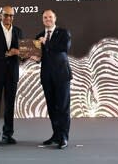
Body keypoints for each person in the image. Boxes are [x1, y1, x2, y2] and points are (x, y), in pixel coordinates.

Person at [0, 6, 23, 146]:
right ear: (0, 15)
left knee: (10, 105)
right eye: (6, 15)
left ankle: (8, 134)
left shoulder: (18, 31)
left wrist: (21, 53)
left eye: (11, 15)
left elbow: (22, 53)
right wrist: (8, 53)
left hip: (12, 74)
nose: (9, 18)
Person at [35, 9, 72, 149]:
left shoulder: (63, 33)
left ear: (55, 18)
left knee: (63, 107)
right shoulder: (39, 36)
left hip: (62, 76)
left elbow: (64, 48)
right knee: (52, 107)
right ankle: (56, 135)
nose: (47, 19)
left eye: (50, 17)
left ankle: (64, 137)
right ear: (42, 19)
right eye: (45, 17)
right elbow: (39, 56)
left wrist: (46, 43)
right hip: (47, 77)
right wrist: (35, 57)